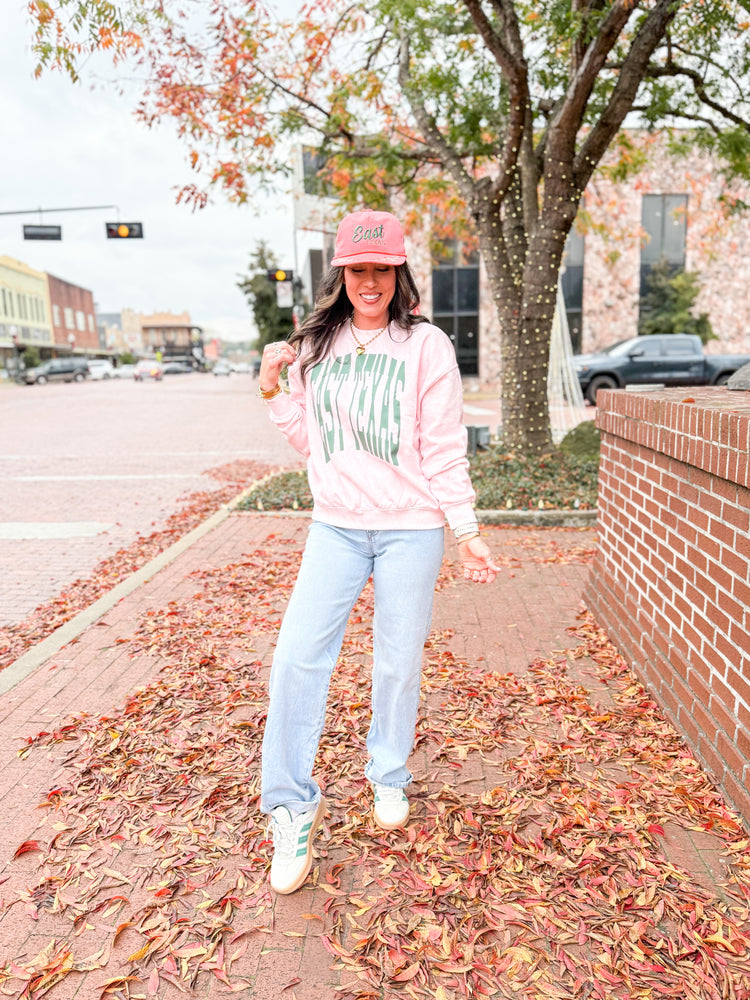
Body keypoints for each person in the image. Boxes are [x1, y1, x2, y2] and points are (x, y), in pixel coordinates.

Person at [257, 209, 499, 894]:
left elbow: (443, 447)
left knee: (396, 660)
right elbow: (314, 441)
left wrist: (466, 529)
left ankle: (388, 773)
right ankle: (290, 807)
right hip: (333, 525)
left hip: (410, 529)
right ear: (342, 273)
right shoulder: (318, 344)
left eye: (381, 269)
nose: (369, 281)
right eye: (358, 269)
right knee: (297, 658)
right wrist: (275, 390)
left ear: (398, 272)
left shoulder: (426, 347)